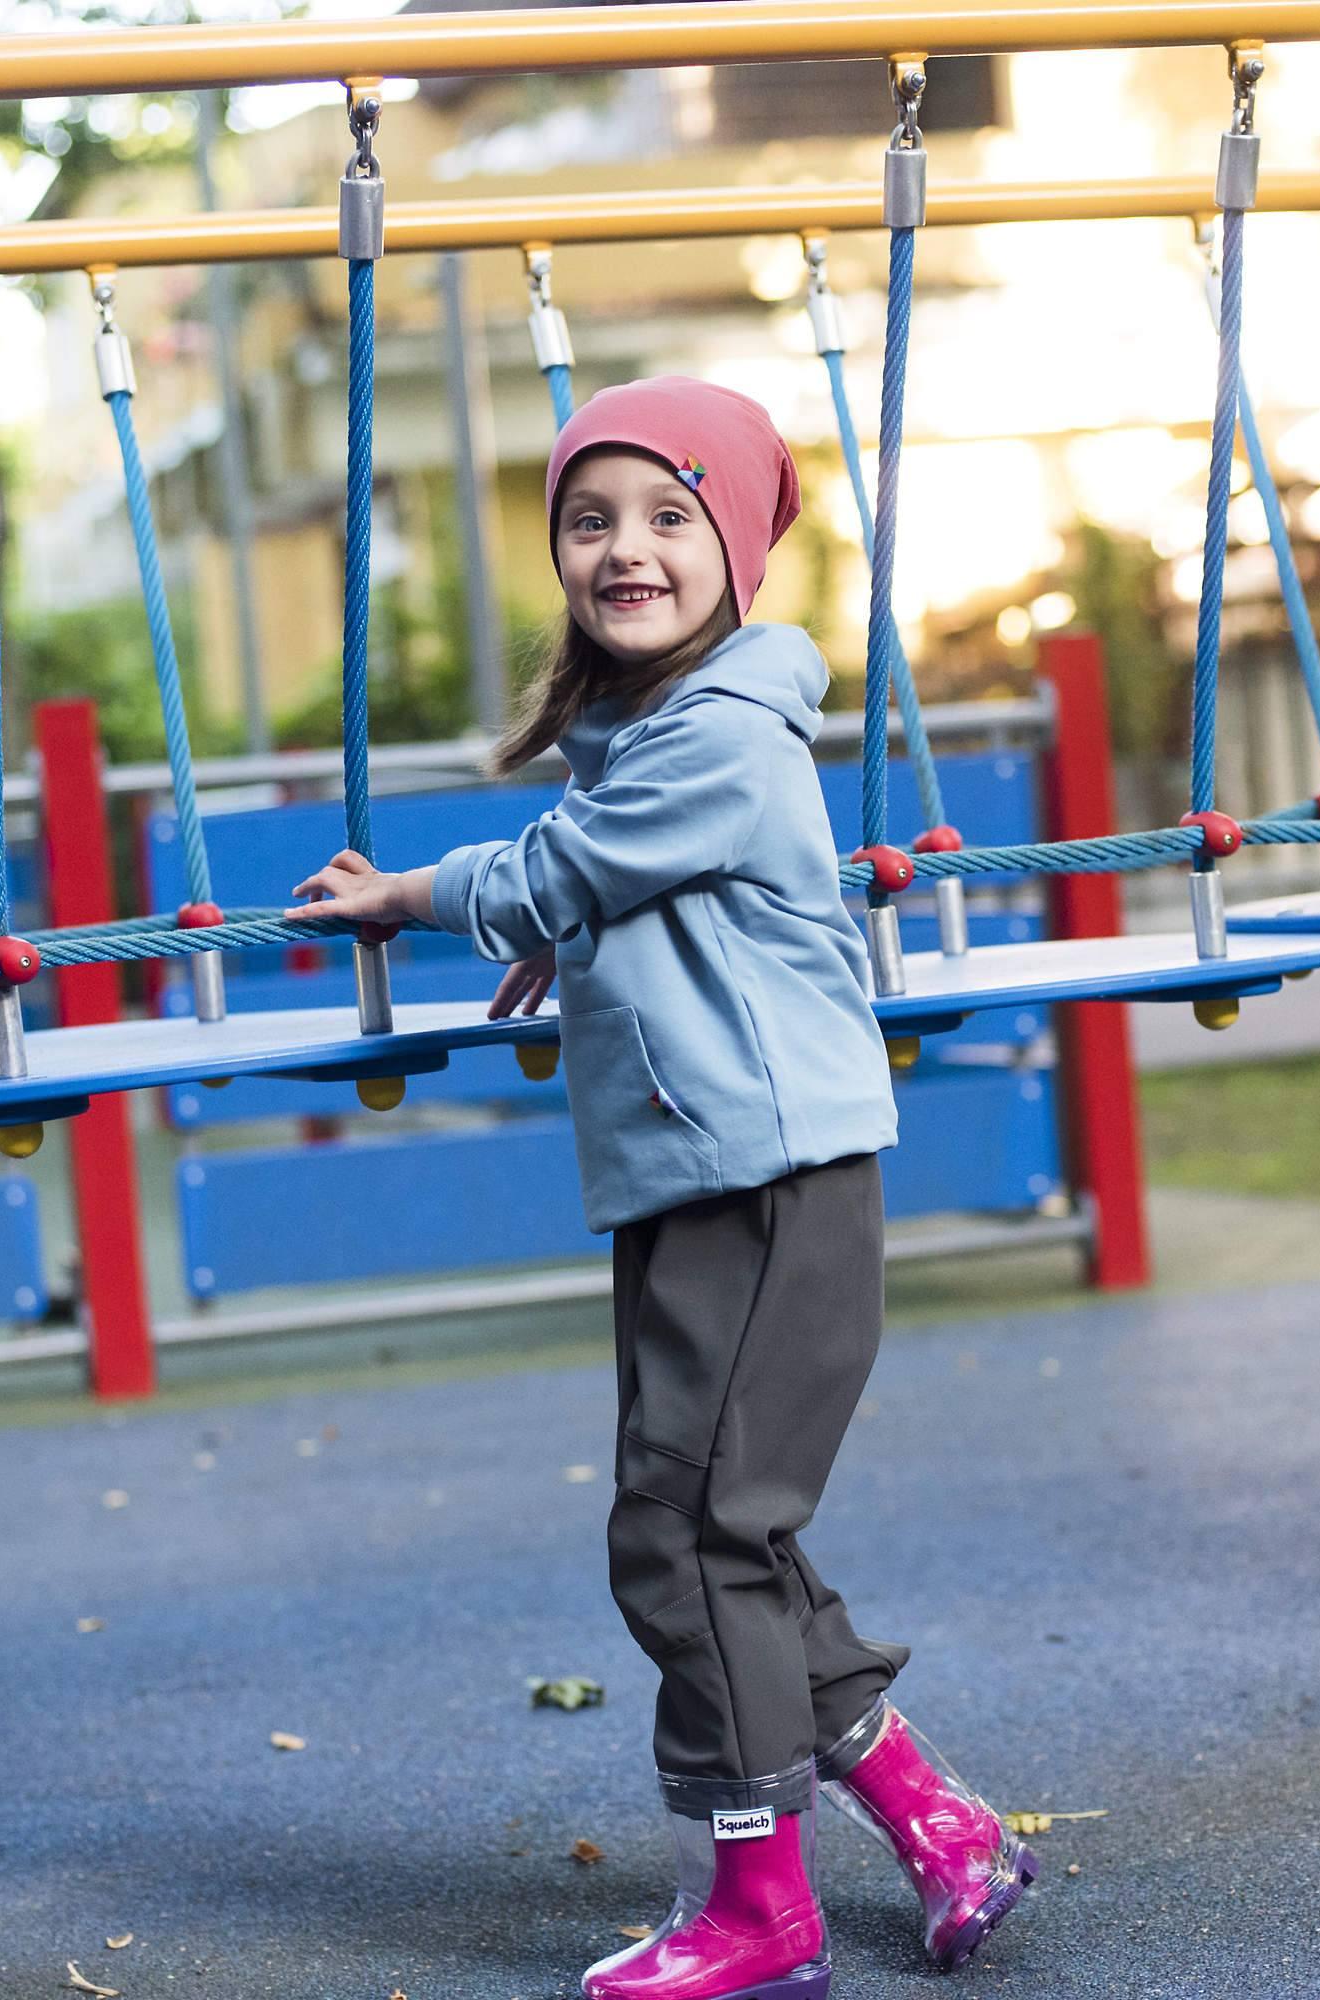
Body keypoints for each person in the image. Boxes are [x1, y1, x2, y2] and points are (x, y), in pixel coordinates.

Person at [289, 377, 1036, 1998]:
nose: (624, 548)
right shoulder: (660, 738)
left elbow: (574, 862)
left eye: (670, 516)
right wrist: (576, 934)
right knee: (726, 1532)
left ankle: (761, 1912)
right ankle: (939, 1824)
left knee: (684, 1536)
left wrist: (418, 894)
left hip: (763, 1182)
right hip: (713, 1180)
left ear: (741, 546)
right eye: (589, 518)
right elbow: (619, 884)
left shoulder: (722, 735)